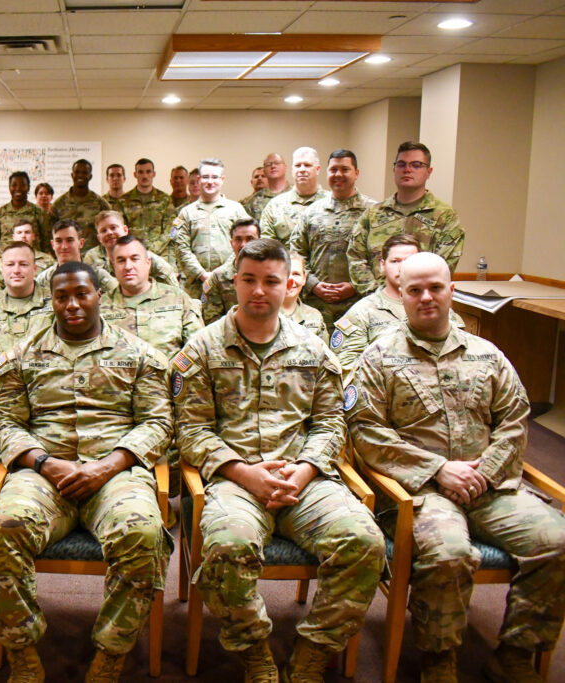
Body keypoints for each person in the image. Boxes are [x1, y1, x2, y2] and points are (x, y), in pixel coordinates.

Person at [347, 251, 565, 683]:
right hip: (419, 493)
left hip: (491, 486)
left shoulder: (488, 355)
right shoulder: (378, 358)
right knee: (449, 553)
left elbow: (515, 419)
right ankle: (438, 657)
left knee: (556, 540)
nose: (426, 297)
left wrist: (483, 472)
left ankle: (516, 653)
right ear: (402, 296)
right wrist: (438, 470)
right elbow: (365, 432)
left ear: (452, 290)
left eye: (435, 287)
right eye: (415, 290)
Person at [172, 238, 384, 683]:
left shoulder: (313, 348)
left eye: (271, 281)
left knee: (365, 541)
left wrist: (305, 469)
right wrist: (245, 474)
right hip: (234, 477)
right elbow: (190, 430)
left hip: (303, 477)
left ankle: (313, 650)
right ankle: (254, 652)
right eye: (249, 280)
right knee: (226, 546)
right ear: (234, 281)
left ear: (289, 284)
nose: (259, 291)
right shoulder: (203, 349)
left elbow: (330, 424)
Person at [0, 261, 173, 683]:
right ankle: (23, 653)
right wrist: (43, 462)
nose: (71, 304)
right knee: (4, 525)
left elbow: (159, 423)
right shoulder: (19, 357)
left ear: (98, 296)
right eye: (61, 296)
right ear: (50, 299)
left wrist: (106, 466)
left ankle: (111, 654)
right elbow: (6, 422)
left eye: (81, 294)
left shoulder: (139, 355)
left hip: (116, 473)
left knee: (142, 533)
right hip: (42, 472)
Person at [332, 234, 464, 384]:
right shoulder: (362, 313)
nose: (402, 267)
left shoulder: (440, 311)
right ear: (382, 265)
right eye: (395, 261)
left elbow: (463, 361)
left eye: (409, 260)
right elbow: (347, 370)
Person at [347, 141, 465, 294]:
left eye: (416, 165)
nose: (407, 170)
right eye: (402, 164)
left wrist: (411, 295)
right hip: (375, 304)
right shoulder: (373, 215)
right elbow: (355, 257)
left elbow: (441, 268)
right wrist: (381, 296)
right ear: (394, 169)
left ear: (429, 171)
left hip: (422, 303)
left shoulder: (445, 217)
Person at [289, 149, 376, 330]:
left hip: (358, 305)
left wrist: (354, 286)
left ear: (356, 173)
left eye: (345, 169)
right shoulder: (312, 212)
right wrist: (314, 284)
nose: (338, 175)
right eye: (333, 170)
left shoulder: (373, 212)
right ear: (326, 172)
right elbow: (296, 253)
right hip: (315, 306)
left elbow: (381, 258)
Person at [102, 235, 203, 354]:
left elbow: (198, 349)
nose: (128, 267)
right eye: (121, 260)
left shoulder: (178, 299)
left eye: (135, 259)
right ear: (113, 266)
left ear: (148, 263)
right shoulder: (100, 307)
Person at [0, 241, 53, 377]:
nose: (16, 270)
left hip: (47, 388)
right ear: (1, 269)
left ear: (35, 269)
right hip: (0, 392)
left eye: (23, 264)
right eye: (10, 264)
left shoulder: (55, 306)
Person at [172, 158, 252, 298]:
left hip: (229, 282)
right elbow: (181, 249)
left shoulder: (236, 210)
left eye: (215, 177)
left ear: (222, 179)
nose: (210, 181)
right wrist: (202, 274)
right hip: (195, 285)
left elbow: (246, 245)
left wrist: (219, 273)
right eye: (205, 177)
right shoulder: (187, 213)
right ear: (198, 179)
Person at [83, 210, 177, 288]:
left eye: (113, 227)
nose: (109, 233)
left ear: (125, 230)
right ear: (99, 238)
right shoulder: (92, 257)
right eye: (103, 230)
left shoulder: (145, 257)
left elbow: (173, 290)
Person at [260, 147, 328, 245]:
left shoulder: (331, 202)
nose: (302, 169)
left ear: (317, 169)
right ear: (292, 170)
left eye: (307, 165)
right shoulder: (274, 206)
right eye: (298, 165)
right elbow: (268, 247)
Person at [0, 172, 48, 268]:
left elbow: (46, 240)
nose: (18, 188)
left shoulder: (38, 212)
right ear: (9, 187)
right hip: (5, 263)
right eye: (14, 185)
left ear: (28, 187)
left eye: (22, 185)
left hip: (32, 263)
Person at [201, 218, 260, 325]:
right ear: (231, 243)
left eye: (250, 239)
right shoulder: (218, 278)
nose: (243, 244)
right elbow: (212, 320)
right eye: (238, 239)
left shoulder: (270, 273)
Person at [34, 220, 116, 295]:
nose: (64, 246)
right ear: (53, 245)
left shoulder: (99, 276)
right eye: (59, 241)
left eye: (70, 240)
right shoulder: (43, 280)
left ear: (81, 243)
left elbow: (120, 300)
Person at [120, 158, 177, 259]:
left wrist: (153, 250)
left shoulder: (165, 200)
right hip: (132, 255)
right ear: (135, 174)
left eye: (148, 171)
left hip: (160, 255)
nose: (145, 176)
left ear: (153, 174)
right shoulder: (123, 201)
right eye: (141, 172)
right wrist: (135, 249)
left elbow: (171, 229)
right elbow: (121, 230)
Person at [52, 159, 111, 248]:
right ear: (72, 175)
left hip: (92, 258)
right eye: (77, 172)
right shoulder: (59, 204)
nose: (80, 175)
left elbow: (108, 231)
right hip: (67, 254)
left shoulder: (101, 204)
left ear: (90, 176)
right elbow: (51, 233)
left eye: (84, 173)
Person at [0, 219, 55, 292]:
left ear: (33, 236)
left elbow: (54, 285)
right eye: (19, 233)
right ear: (14, 237)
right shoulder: (3, 261)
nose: (23, 236)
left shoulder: (48, 260)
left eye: (27, 232)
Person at [281, 253, 327, 342]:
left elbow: (323, 354)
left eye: (296, 274)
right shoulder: (262, 313)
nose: (290, 280)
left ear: (304, 279)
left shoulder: (315, 316)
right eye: (284, 273)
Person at [243, 152, 291, 222]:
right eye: (268, 164)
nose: (273, 166)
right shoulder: (253, 201)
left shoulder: (298, 194)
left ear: (285, 168)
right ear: (265, 170)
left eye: (277, 163)